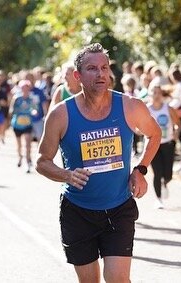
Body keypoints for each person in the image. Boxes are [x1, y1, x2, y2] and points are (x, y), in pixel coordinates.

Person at [36, 43, 161, 282]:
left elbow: (155, 134)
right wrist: (67, 175)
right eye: (92, 68)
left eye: (104, 67)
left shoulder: (130, 106)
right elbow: (42, 162)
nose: (101, 73)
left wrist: (141, 169)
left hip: (119, 207)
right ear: (77, 75)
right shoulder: (61, 114)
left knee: (118, 279)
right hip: (77, 210)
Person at [146, 83, 181, 209]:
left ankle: (165, 183)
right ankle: (158, 199)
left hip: (168, 143)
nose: (156, 95)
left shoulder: (168, 108)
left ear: (162, 95)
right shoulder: (146, 109)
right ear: (150, 94)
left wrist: (176, 132)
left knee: (168, 174)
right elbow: (139, 127)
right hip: (152, 144)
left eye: (159, 93)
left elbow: (178, 123)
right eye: (154, 93)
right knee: (157, 172)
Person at [9, 80, 35, 173]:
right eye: (23, 87)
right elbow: (11, 109)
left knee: (28, 143)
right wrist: (14, 112)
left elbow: (35, 108)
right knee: (19, 143)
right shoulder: (17, 98)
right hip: (17, 123)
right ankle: (20, 157)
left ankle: (28, 160)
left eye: (27, 87)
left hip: (28, 123)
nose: (25, 89)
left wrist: (34, 112)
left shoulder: (32, 98)